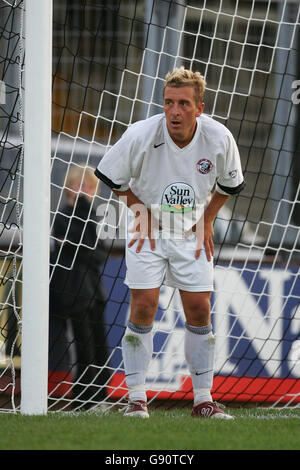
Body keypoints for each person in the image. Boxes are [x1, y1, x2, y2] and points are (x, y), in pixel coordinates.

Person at [94, 67, 245, 419]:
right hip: (148, 229)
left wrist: (207, 220)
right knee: (144, 306)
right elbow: (111, 176)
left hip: (192, 233)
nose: (174, 111)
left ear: (199, 108)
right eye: (168, 103)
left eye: (183, 104)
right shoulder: (141, 134)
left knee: (199, 310)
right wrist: (140, 212)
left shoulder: (219, 137)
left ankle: (203, 401)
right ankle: (135, 400)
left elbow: (230, 185)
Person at [49, 164, 110, 411]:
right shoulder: (63, 214)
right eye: (79, 185)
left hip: (94, 291)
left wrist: (79, 246)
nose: (84, 191)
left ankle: (101, 396)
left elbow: (96, 252)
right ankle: (83, 399)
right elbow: (79, 248)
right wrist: (80, 246)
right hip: (72, 292)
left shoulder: (95, 216)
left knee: (100, 345)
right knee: (82, 346)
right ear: (68, 188)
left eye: (89, 187)